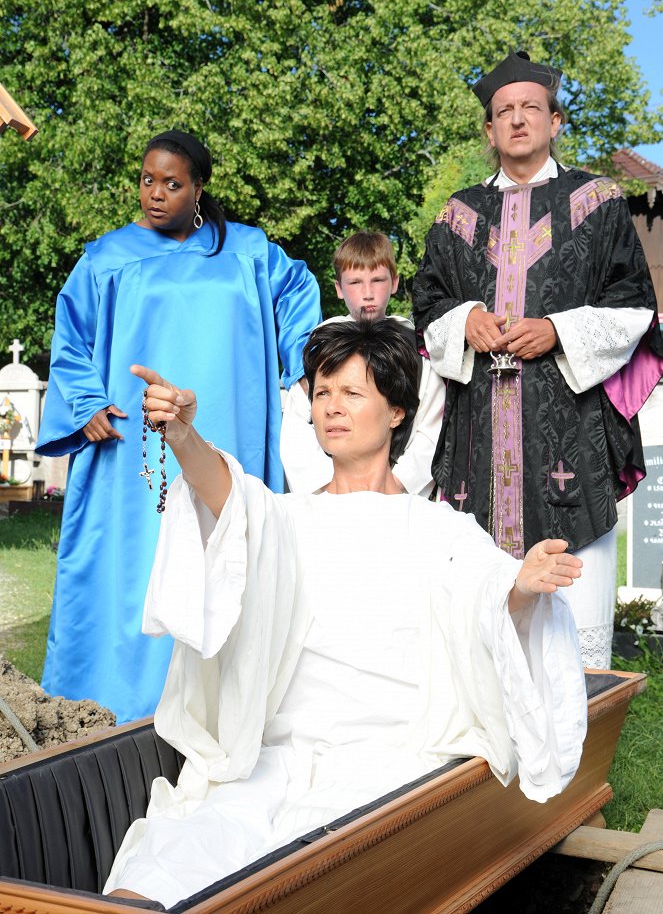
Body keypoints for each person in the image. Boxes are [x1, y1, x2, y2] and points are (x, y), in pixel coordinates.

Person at [104, 319, 586, 908]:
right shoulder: (288, 518)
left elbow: (483, 592)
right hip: (276, 760)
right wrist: (183, 437)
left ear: (397, 412)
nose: (332, 408)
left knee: (303, 880)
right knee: (173, 860)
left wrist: (521, 586)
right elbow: (229, 498)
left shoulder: (436, 527)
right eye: (323, 392)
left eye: (353, 393)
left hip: (386, 767)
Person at [36, 129, 321, 723]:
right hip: (131, 451)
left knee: (224, 558)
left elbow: (298, 295)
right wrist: (86, 400)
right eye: (147, 180)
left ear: (198, 189)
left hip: (229, 436)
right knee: (131, 569)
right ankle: (111, 711)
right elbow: (71, 340)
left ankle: (228, 714)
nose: (155, 194)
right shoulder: (106, 259)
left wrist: (305, 370)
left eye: (172, 183)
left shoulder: (245, 252)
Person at [412, 50, 663, 669]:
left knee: (572, 643)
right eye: (505, 111)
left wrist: (557, 330)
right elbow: (427, 302)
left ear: (556, 122)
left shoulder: (598, 202)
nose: (518, 120)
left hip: (568, 440)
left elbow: (635, 304)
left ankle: (583, 750)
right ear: (489, 131)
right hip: (479, 439)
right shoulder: (459, 214)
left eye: (531, 108)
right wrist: (463, 319)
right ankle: (490, 757)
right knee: (486, 633)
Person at [280, 231, 446, 496]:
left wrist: (399, 482)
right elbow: (296, 422)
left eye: (378, 280)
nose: (367, 294)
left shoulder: (417, 346)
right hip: (330, 493)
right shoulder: (321, 343)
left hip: (394, 491)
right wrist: (325, 486)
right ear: (338, 288)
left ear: (394, 283)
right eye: (355, 282)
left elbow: (432, 423)